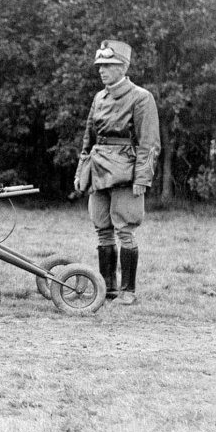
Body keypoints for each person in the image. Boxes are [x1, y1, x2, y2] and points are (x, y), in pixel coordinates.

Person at [74, 40, 160, 305]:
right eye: (100, 65)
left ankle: (128, 291)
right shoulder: (98, 98)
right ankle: (107, 289)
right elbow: (88, 141)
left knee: (125, 230)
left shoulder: (141, 97)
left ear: (123, 67)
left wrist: (142, 179)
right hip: (99, 170)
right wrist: (81, 173)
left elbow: (149, 143)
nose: (102, 70)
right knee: (102, 229)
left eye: (108, 65)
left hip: (126, 173)